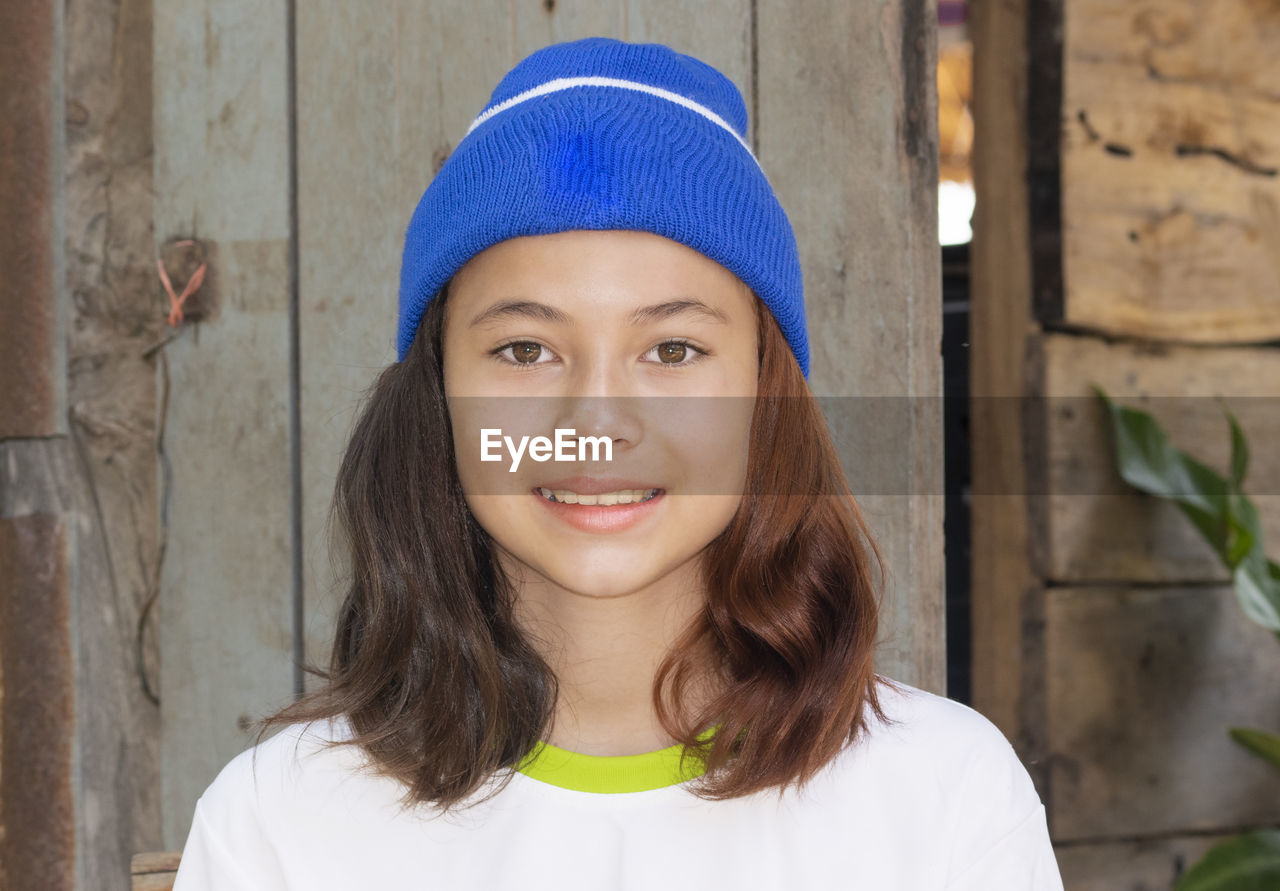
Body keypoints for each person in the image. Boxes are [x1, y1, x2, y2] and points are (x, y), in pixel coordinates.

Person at [172, 36, 1064, 890]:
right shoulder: (278, 821)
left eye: (673, 351)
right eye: (525, 350)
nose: (596, 421)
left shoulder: (946, 797)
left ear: (765, 393)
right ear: (437, 397)